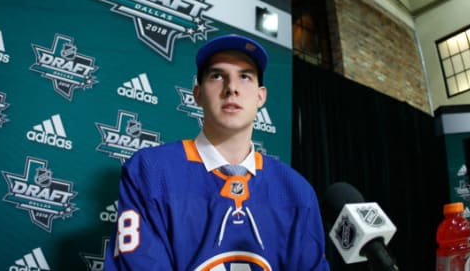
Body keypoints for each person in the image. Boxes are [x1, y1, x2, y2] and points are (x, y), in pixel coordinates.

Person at [104, 34, 330, 270]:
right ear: (198, 94)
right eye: (217, 76)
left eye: (244, 76)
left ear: (260, 96)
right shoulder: (151, 170)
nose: (231, 88)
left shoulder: (296, 190)